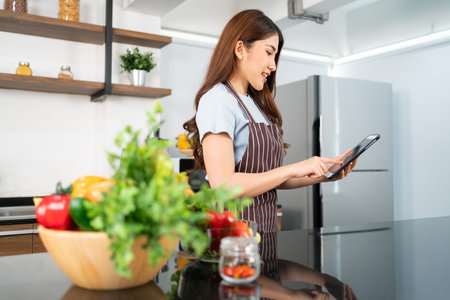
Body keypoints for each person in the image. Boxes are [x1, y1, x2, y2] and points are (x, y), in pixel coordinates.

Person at [183, 9, 357, 233]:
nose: (273, 65)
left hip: (265, 234)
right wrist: (294, 168)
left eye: (275, 56)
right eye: (268, 52)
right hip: (232, 241)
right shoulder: (218, 99)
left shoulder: (255, 104)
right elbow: (223, 184)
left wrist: (324, 175)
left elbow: (269, 178)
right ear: (240, 49)